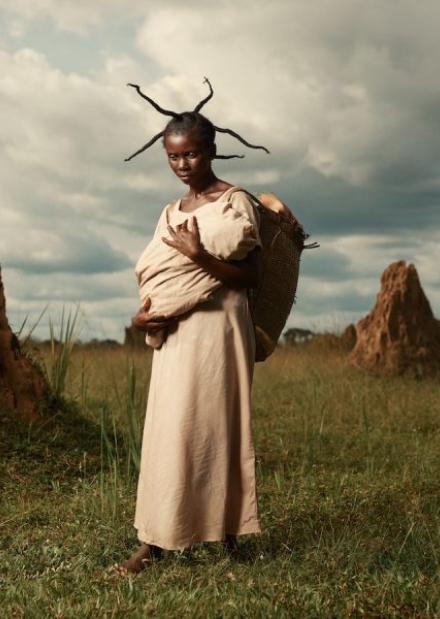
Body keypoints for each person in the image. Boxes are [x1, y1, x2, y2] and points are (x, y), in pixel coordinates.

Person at [119, 81, 269, 574]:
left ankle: (225, 534)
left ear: (211, 152)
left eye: (192, 155)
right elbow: (157, 278)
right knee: (170, 431)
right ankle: (156, 540)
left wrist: (200, 255)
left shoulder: (234, 204)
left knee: (217, 430)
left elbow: (252, 277)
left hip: (219, 333)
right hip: (176, 337)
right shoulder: (169, 213)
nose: (183, 165)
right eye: (173, 157)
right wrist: (140, 317)